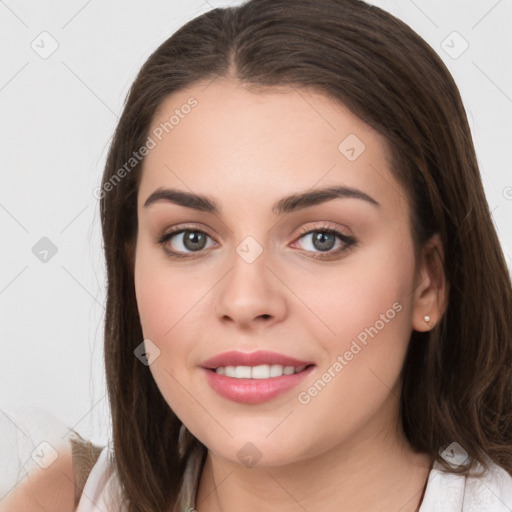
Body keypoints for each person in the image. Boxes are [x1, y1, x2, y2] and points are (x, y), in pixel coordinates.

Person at [2, 0, 512, 510]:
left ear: (430, 282)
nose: (246, 301)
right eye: (191, 239)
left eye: (322, 239)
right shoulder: (54, 497)